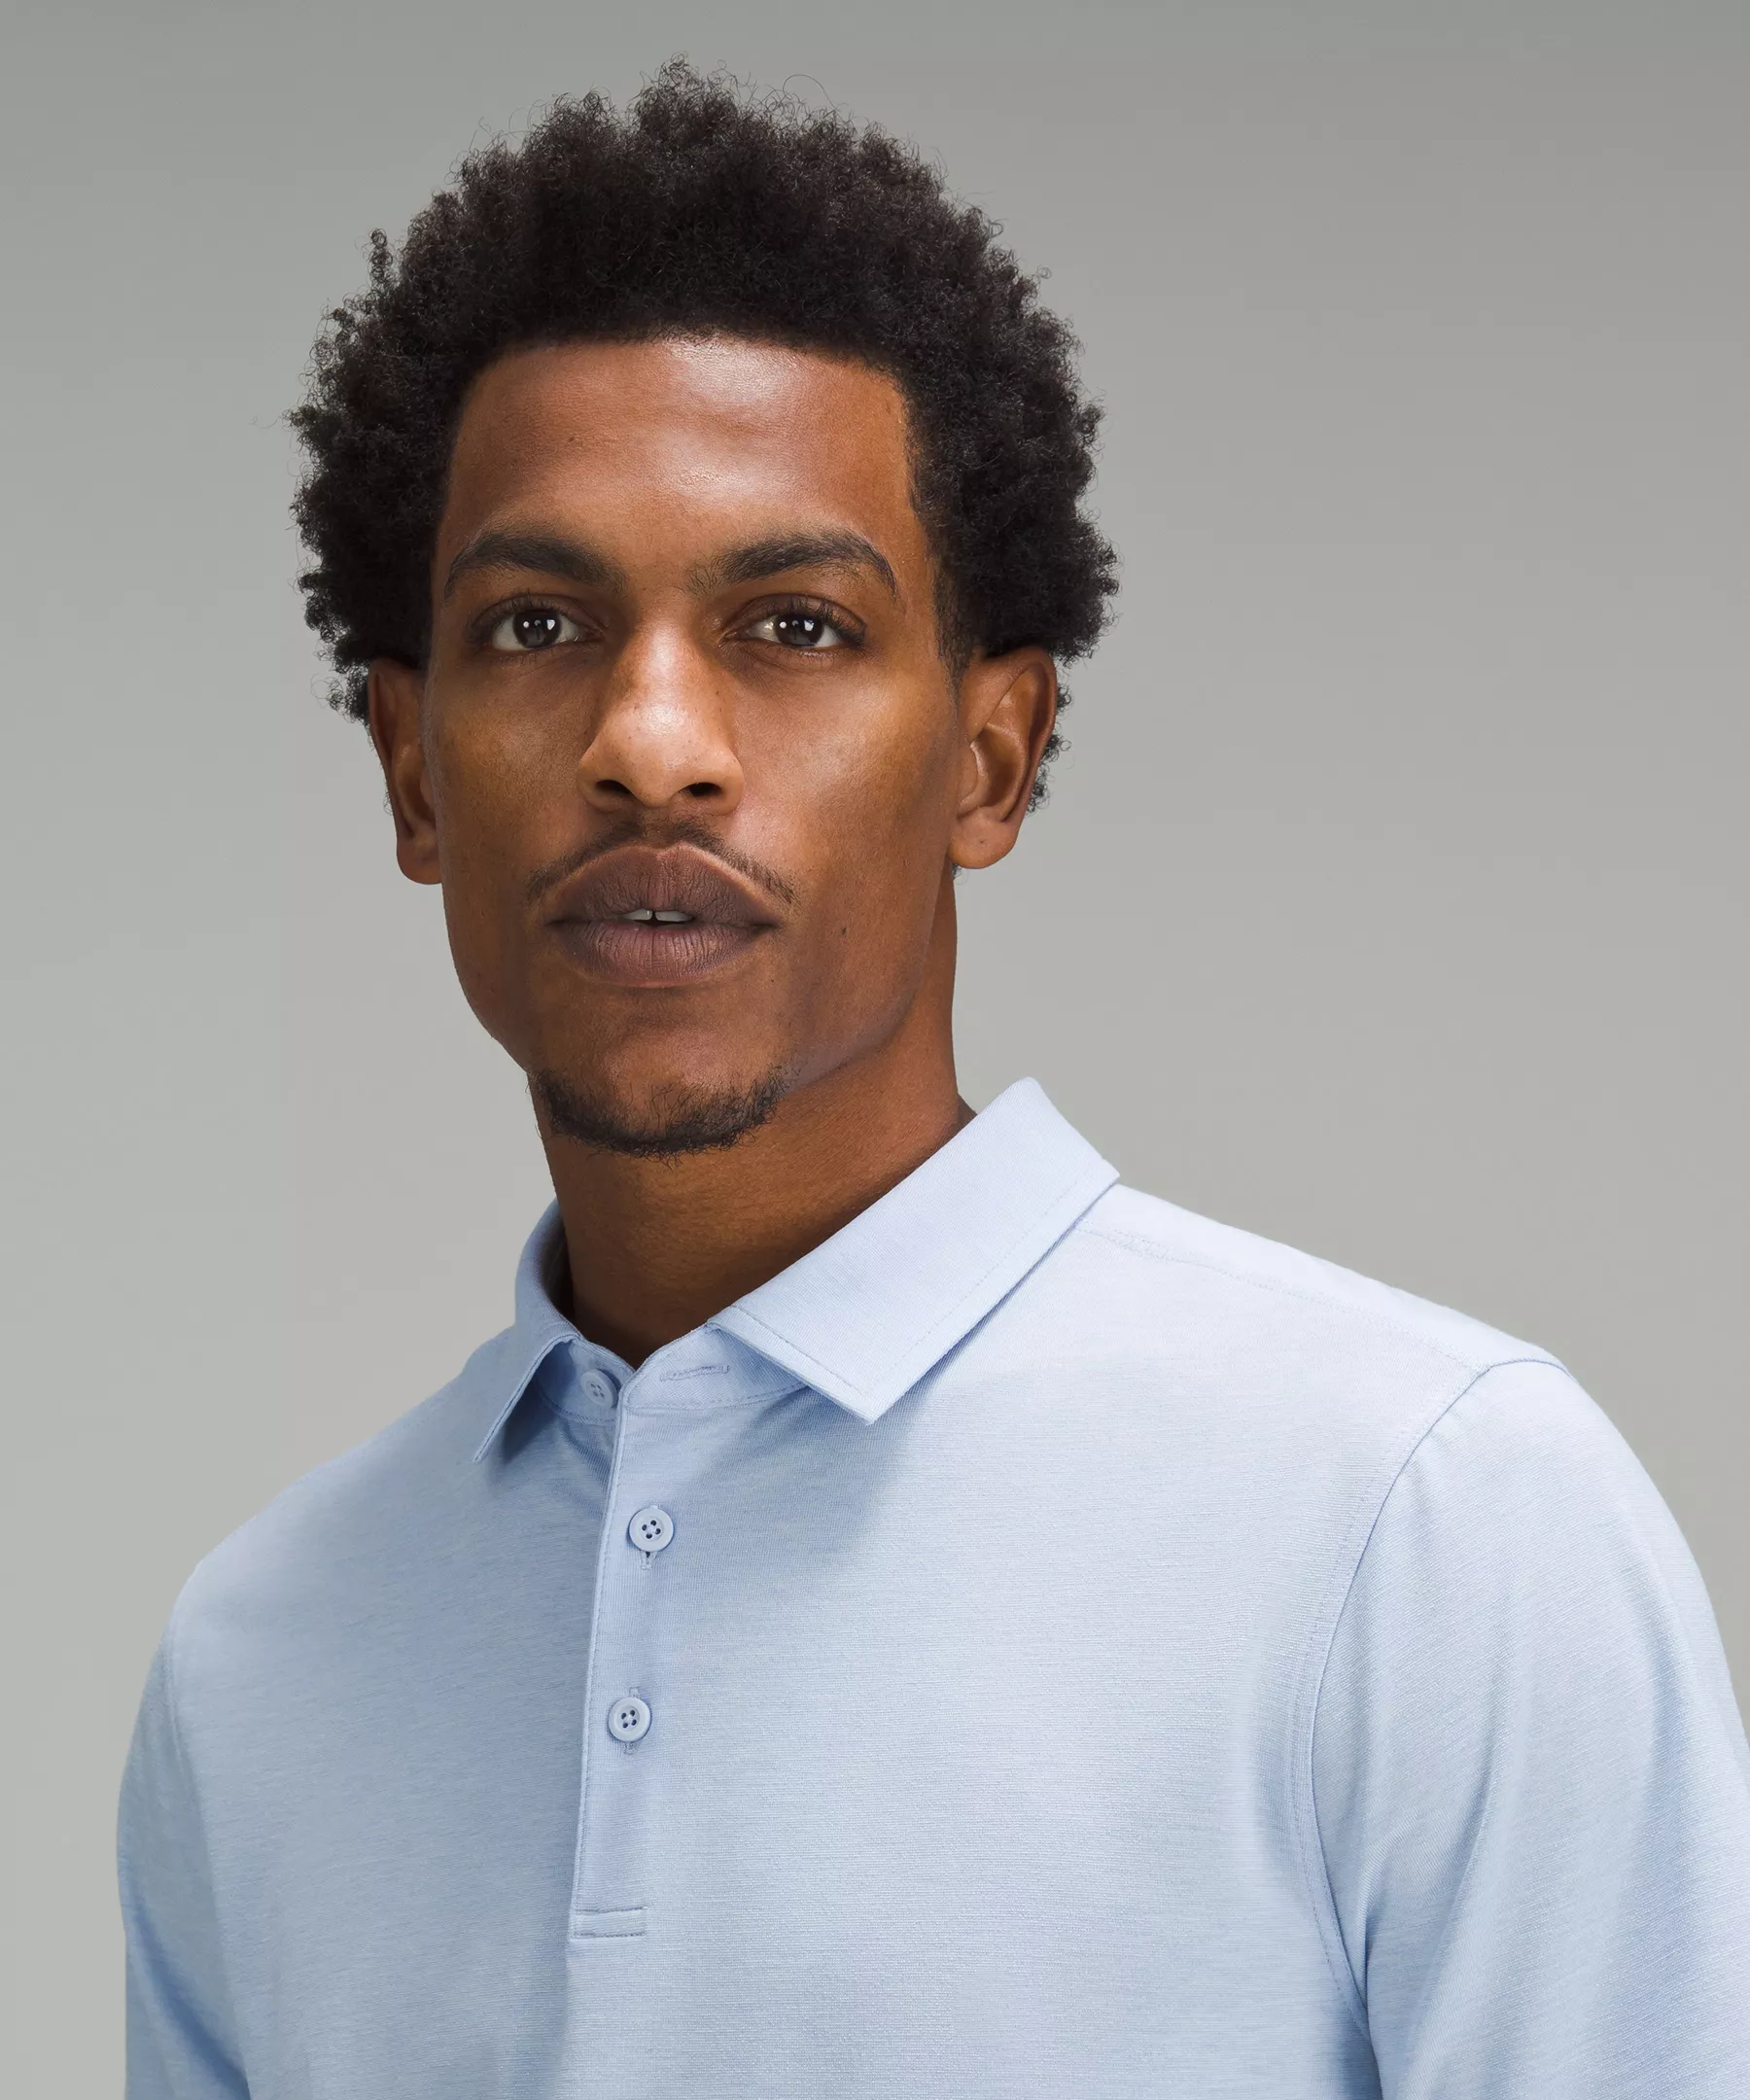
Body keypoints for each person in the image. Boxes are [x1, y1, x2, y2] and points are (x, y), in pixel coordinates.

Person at [119, 62, 1750, 2098]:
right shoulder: (260, 1663)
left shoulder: (1427, 1527)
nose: (651, 743)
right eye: (536, 623)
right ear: (412, 769)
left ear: (990, 757)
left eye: (793, 625)